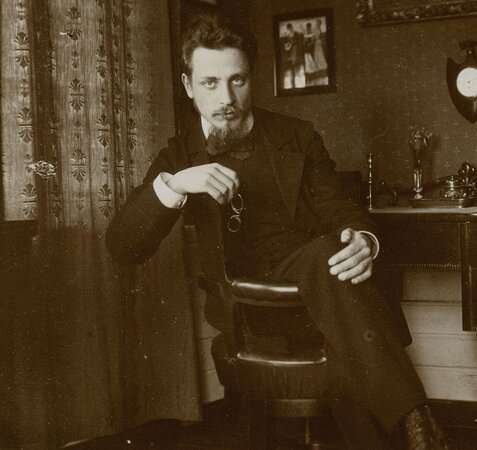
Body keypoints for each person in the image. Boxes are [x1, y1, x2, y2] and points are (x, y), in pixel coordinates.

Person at [105, 12, 452, 450]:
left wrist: (363, 241)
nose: (227, 98)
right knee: (332, 277)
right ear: (188, 85)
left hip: (321, 297)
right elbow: (123, 247)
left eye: (237, 80)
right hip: (249, 313)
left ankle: (415, 430)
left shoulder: (297, 136)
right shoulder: (179, 156)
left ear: (251, 78)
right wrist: (176, 184)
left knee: (331, 261)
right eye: (210, 83)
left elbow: (341, 210)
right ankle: (417, 420)